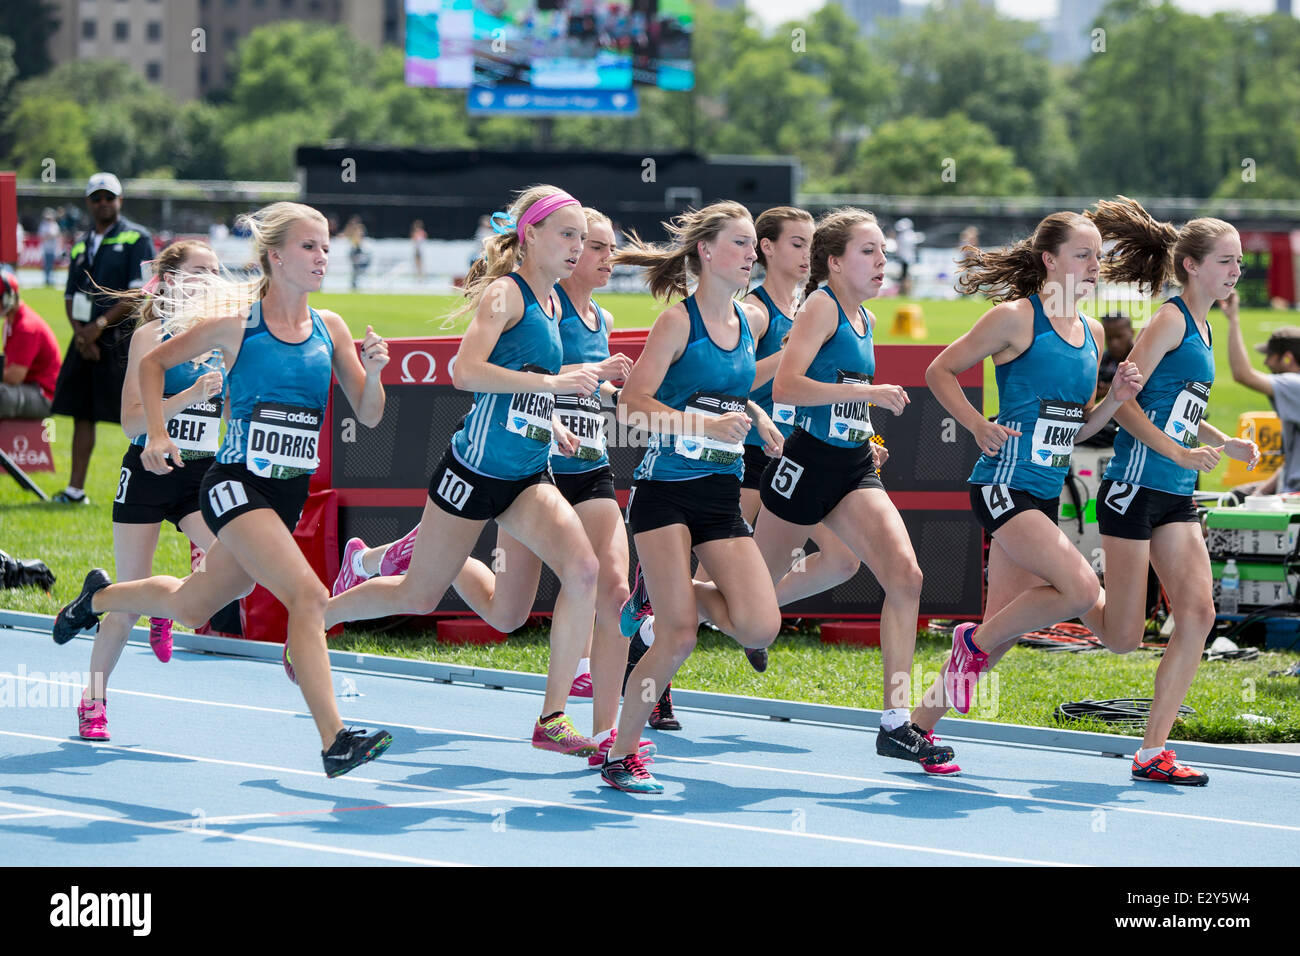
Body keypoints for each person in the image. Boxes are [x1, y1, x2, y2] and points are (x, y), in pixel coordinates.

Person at [54, 202, 394, 778]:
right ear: (275, 256)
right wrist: (157, 433)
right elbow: (154, 363)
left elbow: (368, 413)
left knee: (192, 605)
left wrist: (376, 370)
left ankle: (99, 599)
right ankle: (335, 740)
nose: (322, 258)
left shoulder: (330, 328)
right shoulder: (238, 324)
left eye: (326, 248)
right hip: (234, 486)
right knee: (308, 598)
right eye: (309, 247)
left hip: (284, 497)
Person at [332, 205, 655, 765]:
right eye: (568, 236)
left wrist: (552, 415)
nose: (578, 247)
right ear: (530, 236)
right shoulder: (506, 294)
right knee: (419, 594)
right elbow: (464, 372)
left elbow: (521, 389)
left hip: (527, 473)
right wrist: (556, 383)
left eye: (585, 238)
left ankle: (552, 718)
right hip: (473, 472)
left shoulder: (557, 302)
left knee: (584, 571)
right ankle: (321, 614)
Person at [908, 211, 1143, 744]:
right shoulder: (1015, 318)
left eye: (1098, 256)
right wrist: (975, 423)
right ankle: (970, 643)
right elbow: (938, 371)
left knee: (1002, 638)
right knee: (1081, 588)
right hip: (1001, 485)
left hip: (1043, 493)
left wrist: (1117, 401)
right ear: (1050, 260)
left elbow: (1078, 428)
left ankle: (914, 728)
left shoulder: (1094, 332)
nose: (1094, 266)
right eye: (1082, 254)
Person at [751, 207, 956, 772]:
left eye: (884, 252)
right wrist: (867, 397)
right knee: (746, 603)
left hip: (852, 467)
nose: (882, 262)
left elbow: (841, 392)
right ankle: (654, 620)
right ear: (834, 262)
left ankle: (896, 724)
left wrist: (865, 433)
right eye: (869, 252)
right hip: (806, 467)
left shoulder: (863, 316)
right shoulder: (820, 306)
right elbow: (788, 387)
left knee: (906, 576)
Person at [603, 201, 784, 793]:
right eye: (740, 244)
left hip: (720, 497)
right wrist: (704, 428)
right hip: (665, 494)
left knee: (760, 626)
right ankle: (621, 753)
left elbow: (729, 390)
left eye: (754, 244)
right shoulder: (676, 323)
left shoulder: (751, 322)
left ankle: (660, 595)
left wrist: (755, 417)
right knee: (677, 637)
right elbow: (631, 405)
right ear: (705, 252)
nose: (751, 254)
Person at [1080, 198, 1258, 785]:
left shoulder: (1204, 326)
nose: (1236, 272)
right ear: (1190, 265)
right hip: (1133, 487)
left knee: (1199, 613)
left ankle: (1152, 750)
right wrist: (1179, 450)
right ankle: (1065, 587)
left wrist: (1223, 441)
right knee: (1125, 638)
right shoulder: (1171, 319)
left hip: (1175, 495)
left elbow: (1176, 404)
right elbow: (1124, 403)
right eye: (1225, 262)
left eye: (1239, 263)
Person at [70, 240, 225, 741]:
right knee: (126, 603)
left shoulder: (224, 339)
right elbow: (133, 420)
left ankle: (166, 604)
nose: (211, 279)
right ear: (172, 279)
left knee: (234, 563)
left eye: (217, 271)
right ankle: (93, 699)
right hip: (147, 471)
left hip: (199, 473)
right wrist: (192, 394)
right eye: (200, 270)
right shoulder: (151, 336)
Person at [50, 172, 154, 505]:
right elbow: (70, 295)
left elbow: (140, 291)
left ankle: (147, 491)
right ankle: (75, 489)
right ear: (88, 203)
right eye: (97, 198)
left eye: (109, 197)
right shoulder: (81, 243)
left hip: (123, 339)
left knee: (137, 412)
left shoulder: (137, 237)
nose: (103, 203)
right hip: (85, 341)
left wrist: (99, 326)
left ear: (120, 201)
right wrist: (83, 335)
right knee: (82, 412)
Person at [1225, 307, 1300, 495]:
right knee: (1239, 495)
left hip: (1293, 495)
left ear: (1287, 358)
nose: (1266, 362)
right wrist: (1260, 492)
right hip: (1289, 487)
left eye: (1270, 356)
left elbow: (1243, 375)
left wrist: (1233, 320)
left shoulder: (1294, 385)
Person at [1, 271, 61, 420]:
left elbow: (15, 376)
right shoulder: (10, 322)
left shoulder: (26, 327)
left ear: (8, 298)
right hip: (30, 387)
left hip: (44, 395)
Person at [1095, 312, 1134, 402]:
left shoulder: (1141, 358)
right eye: (1109, 338)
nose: (1114, 344)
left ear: (1132, 332)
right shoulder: (1101, 360)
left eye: (1119, 336)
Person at [39, 209, 61, 287]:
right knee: (46, 265)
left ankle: (51, 279)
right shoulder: (43, 225)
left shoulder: (54, 225)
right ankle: (47, 279)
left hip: (53, 249)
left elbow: (54, 234)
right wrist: (48, 235)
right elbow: (42, 235)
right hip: (45, 248)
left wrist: (48, 235)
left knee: (52, 265)